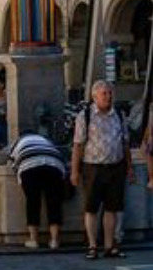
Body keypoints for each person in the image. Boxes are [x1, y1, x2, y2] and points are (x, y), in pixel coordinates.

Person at [71, 80, 135, 259]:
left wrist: (129, 168)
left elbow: (125, 143)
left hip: (116, 167)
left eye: (110, 93)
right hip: (93, 167)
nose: (108, 96)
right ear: (94, 96)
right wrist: (74, 171)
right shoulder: (85, 116)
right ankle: (92, 246)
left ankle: (109, 246)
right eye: (104, 93)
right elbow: (77, 145)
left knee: (112, 208)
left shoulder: (119, 115)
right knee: (91, 208)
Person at [8, 132, 66, 249]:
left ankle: (33, 239)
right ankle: (54, 240)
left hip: (29, 166)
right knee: (54, 202)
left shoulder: (18, 142)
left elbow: (11, 160)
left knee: (33, 202)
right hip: (54, 165)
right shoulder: (46, 140)